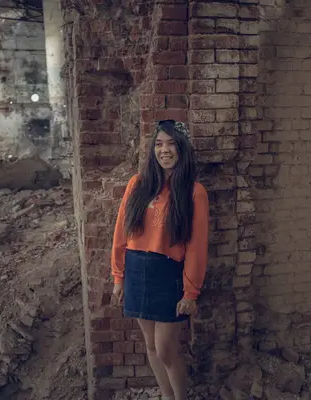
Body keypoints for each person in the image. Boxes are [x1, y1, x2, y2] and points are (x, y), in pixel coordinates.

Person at [110, 120, 210, 400]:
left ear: (182, 149)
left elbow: (197, 246)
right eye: (159, 144)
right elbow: (122, 230)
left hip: (168, 274)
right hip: (136, 269)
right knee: (151, 347)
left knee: (166, 348)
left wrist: (190, 292)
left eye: (171, 144)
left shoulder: (194, 192)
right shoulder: (138, 184)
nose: (164, 150)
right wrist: (119, 276)